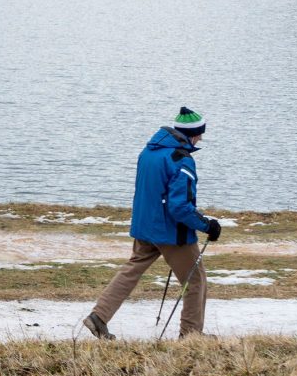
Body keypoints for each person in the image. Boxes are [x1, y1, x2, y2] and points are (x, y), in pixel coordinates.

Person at [83, 107, 222, 340]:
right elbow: (179, 207)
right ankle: (191, 335)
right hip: (171, 233)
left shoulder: (148, 152)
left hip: (145, 226)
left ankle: (98, 317)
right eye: (199, 134)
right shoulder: (182, 160)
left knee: (131, 271)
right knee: (195, 281)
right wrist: (207, 225)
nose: (200, 138)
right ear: (192, 134)